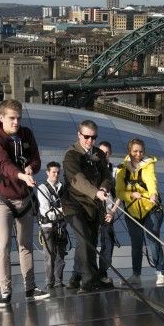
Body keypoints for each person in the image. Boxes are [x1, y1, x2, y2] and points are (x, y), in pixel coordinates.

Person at [0, 99, 50, 308]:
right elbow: (4, 165)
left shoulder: (26, 134)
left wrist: (31, 167)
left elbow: (37, 159)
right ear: (1, 118)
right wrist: (22, 175)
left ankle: (30, 288)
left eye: (18, 118)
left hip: (25, 198)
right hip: (4, 200)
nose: (16, 122)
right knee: (3, 245)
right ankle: (5, 292)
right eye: (11, 118)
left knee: (26, 245)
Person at [62, 120, 112, 294]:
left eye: (94, 137)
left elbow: (107, 176)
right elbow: (77, 180)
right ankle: (87, 281)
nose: (90, 141)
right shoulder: (71, 155)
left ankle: (78, 276)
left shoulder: (98, 154)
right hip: (73, 204)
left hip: (92, 205)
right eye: (86, 137)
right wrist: (95, 192)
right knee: (83, 239)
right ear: (79, 135)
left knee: (91, 242)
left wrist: (104, 188)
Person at [116, 138, 164, 287]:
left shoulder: (148, 165)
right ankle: (136, 275)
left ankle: (160, 272)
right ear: (129, 152)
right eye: (135, 151)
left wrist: (153, 195)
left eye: (141, 151)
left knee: (152, 239)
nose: (138, 154)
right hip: (132, 211)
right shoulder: (121, 169)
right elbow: (119, 192)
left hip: (150, 208)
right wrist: (131, 195)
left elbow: (151, 181)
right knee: (136, 242)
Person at [37, 161, 69, 290]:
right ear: (47, 173)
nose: (56, 174)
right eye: (53, 172)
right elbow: (46, 211)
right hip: (48, 227)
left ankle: (59, 281)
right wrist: (62, 210)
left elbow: (68, 205)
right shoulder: (42, 188)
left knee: (61, 254)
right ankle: (49, 282)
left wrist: (61, 210)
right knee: (49, 255)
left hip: (61, 226)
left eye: (58, 172)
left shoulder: (62, 188)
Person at [97, 141, 120, 284]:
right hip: (93, 212)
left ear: (110, 154)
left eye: (107, 152)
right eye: (101, 152)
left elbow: (119, 195)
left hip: (107, 213)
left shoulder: (114, 171)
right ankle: (83, 274)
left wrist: (113, 211)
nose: (104, 155)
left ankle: (102, 273)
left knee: (107, 244)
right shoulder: (92, 168)